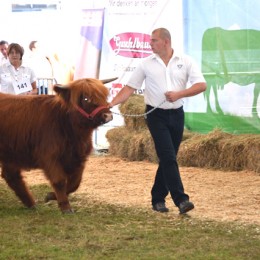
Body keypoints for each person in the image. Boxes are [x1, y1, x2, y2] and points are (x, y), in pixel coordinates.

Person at [109, 28, 207, 214]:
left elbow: (201, 85)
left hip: (177, 114)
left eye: (154, 40)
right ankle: (181, 200)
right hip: (155, 115)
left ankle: (157, 199)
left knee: (168, 159)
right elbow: (130, 88)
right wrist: (111, 104)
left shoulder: (185, 61)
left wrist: (180, 94)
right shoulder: (145, 64)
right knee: (168, 157)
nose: (150, 44)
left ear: (166, 42)